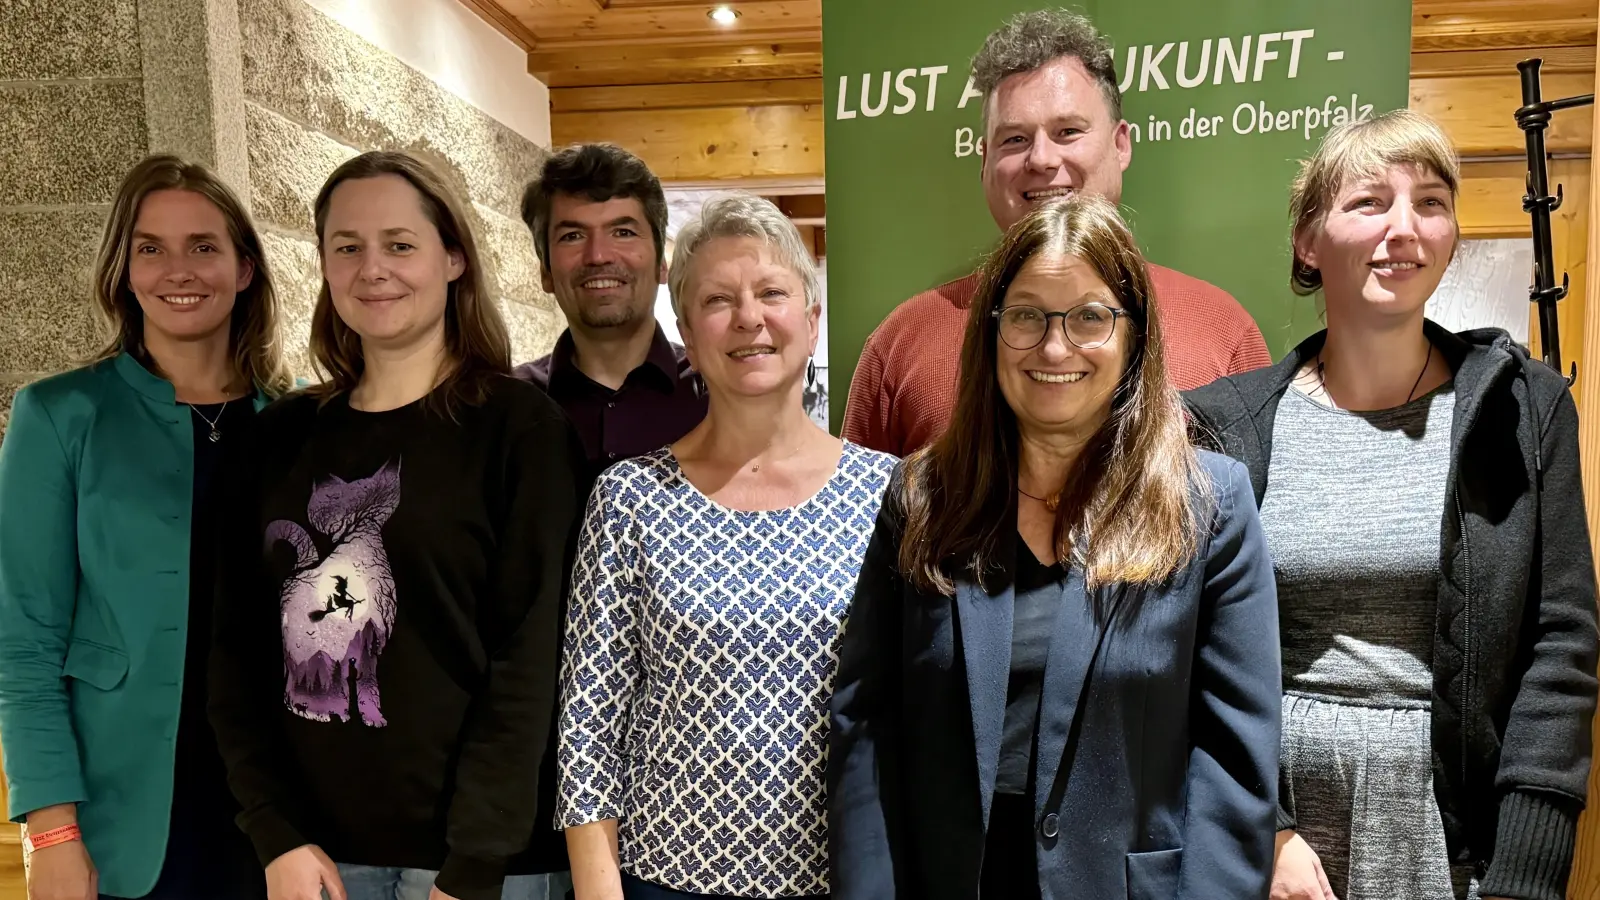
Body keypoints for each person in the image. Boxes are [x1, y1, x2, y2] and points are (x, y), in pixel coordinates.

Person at [1185, 110, 1599, 900]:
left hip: (1455, 833)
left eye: (1431, 203)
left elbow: (1562, 645)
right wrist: (1261, 831)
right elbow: (1189, 647)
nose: (1403, 228)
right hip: (1271, 833)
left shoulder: (1525, 407)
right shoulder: (1224, 424)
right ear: (1309, 242)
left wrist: (1523, 872)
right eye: (1369, 202)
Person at [829, 194, 1281, 900]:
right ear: (992, 333)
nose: (1054, 347)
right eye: (1027, 316)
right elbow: (865, 720)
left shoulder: (1209, 505)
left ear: (1134, 336)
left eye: (1090, 317)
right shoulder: (922, 498)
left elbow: (1235, 759)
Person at [207, 151, 586, 900]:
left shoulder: (521, 430)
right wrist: (274, 831)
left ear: (452, 258)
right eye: (348, 247)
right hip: (315, 863)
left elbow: (533, 659)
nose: (372, 268)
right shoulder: (278, 438)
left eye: (399, 244)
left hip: (482, 870)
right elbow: (234, 657)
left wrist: (475, 862)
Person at [557, 194, 897, 900]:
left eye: (772, 293)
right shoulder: (629, 499)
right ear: (684, 329)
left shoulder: (890, 494)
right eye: (718, 299)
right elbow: (589, 722)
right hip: (668, 881)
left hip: (845, 879)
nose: (749, 318)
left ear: (811, 318)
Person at [0, 155, 291, 900]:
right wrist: (53, 833)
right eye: (150, 248)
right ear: (123, 271)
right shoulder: (59, 415)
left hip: (284, 815)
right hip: (121, 821)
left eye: (204, 246)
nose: (178, 270)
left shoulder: (298, 424)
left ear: (246, 268)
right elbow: (24, 643)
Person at [841, 8, 1273, 458]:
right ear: (984, 159)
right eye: (1015, 139)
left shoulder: (1223, 331)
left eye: (1068, 131)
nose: (1042, 159)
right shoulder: (901, 343)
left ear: (1120, 144)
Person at [515, 143, 708, 480]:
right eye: (572, 235)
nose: (599, 255)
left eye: (623, 232)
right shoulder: (504, 404)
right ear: (545, 272)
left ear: (662, 264)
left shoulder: (715, 397)